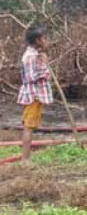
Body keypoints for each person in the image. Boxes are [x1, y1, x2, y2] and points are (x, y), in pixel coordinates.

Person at [17, 24, 52, 164]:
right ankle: (25, 159)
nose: (46, 40)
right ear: (38, 40)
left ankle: (26, 158)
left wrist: (43, 61)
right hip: (32, 95)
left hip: (34, 95)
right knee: (28, 126)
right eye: (44, 38)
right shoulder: (31, 56)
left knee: (30, 125)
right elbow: (31, 77)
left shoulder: (35, 54)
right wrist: (45, 66)